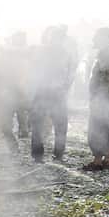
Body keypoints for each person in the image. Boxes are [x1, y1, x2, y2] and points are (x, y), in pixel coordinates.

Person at [29, 26, 76, 162]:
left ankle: (58, 154)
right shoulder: (40, 51)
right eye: (54, 37)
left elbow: (71, 74)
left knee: (60, 125)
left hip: (56, 92)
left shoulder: (66, 53)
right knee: (39, 124)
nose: (55, 40)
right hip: (44, 91)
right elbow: (33, 71)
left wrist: (65, 87)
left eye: (58, 38)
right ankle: (39, 155)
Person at [0, 31, 31, 155]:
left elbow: (29, 79)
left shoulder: (25, 57)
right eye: (18, 41)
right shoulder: (5, 56)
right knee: (2, 123)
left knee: (2, 123)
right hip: (6, 95)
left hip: (16, 95)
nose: (20, 44)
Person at [87, 27, 109, 169]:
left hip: (102, 97)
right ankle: (108, 159)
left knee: (97, 128)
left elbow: (103, 75)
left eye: (96, 36)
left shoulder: (106, 53)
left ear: (103, 37)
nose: (93, 39)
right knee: (107, 127)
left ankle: (98, 161)